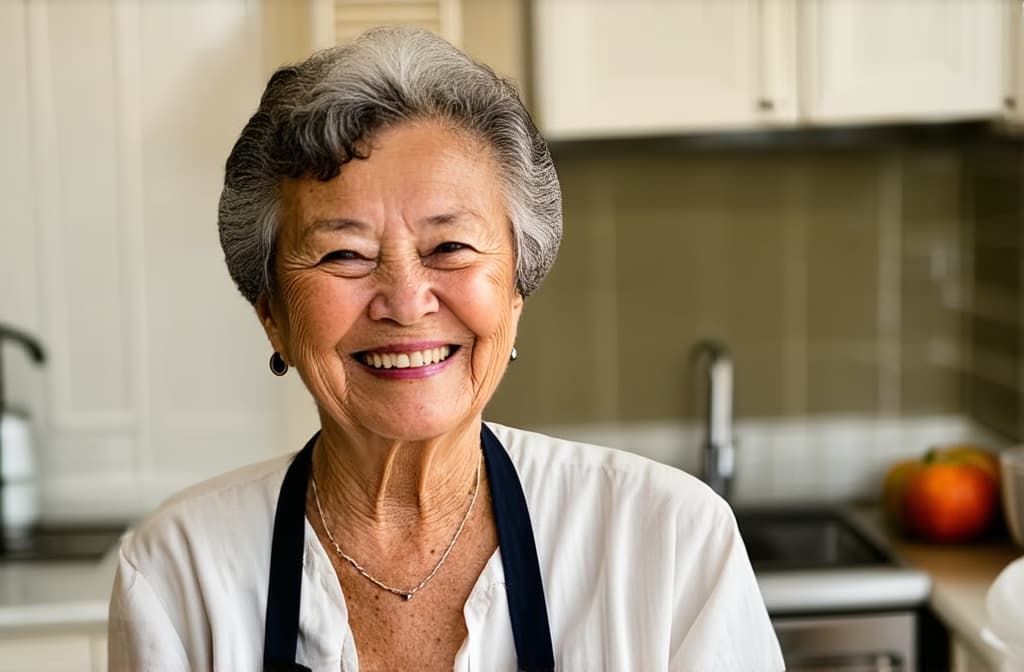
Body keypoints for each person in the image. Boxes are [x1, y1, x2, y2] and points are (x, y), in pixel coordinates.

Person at [107, 26, 784, 671]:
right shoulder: (176, 572)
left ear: (516, 288)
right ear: (271, 314)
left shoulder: (669, 541)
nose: (405, 301)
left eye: (450, 247)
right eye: (344, 254)